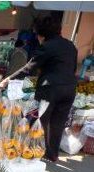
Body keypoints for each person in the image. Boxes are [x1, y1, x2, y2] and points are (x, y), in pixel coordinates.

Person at [30, 16, 78, 162]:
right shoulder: (71, 46)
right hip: (69, 88)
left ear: (42, 34)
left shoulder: (47, 46)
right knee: (58, 123)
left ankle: (38, 151)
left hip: (51, 89)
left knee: (42, 120)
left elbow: (30, 66)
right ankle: (52, 154)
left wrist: (8, 79)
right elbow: (73, 68)